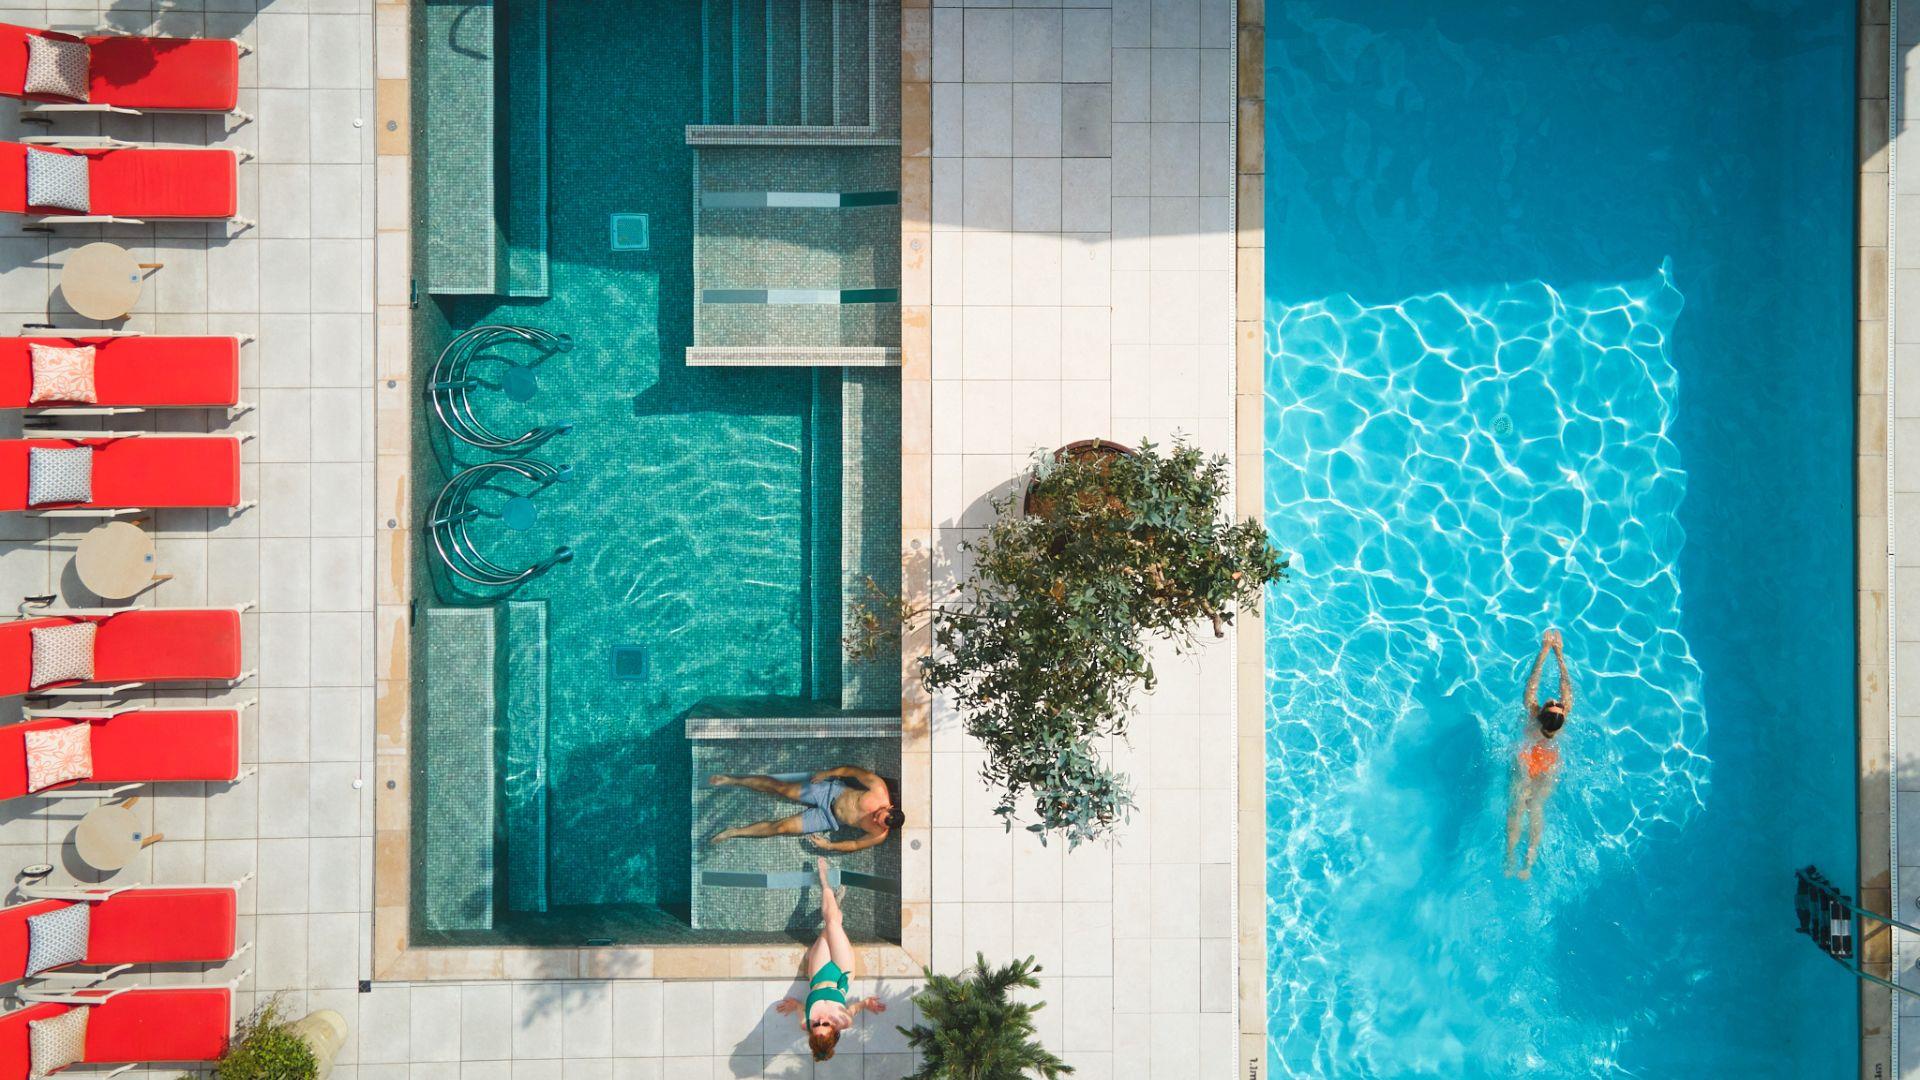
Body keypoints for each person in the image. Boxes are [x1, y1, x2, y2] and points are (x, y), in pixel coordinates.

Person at [775, 857, 887, 1061]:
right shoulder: (844, 1021)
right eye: (825, 1025)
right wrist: (867, 1003)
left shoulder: (804, 1022)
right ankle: (824, 880)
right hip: (842, 973)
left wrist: (793, 1005)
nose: (820, 1020)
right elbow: (854, 1008)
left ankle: (835, 901)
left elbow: (800, 1007)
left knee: (831, 925)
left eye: (816, 1025)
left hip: (817, 975)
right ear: (835, 1031)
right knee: (833, 923)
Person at [1505, 628, 1573, 880]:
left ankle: (1510, 858)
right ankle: (1529, 862)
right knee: (1537, 808)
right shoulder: (1562, 723)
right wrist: (1560, 655)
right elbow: (1566, 690)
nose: (1555, 698)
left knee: (1517, 807)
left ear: (1541, 711)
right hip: (1549, 763)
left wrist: (1544, 651)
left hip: (1526, 758)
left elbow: (1531, 684)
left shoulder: (1533, 715)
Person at [707, 765, 904, 851]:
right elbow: (851, 771)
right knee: (781, 788)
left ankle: (733, 832)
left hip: (829, 820)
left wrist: (829, 846)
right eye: (879, 813)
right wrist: (827, 773)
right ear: (889, 806)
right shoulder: (878, 789)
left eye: (878, 822)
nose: (875, 818)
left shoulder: (878, 834)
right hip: (829, 792)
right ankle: (733, 780)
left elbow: (855, 845)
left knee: (781, 828)